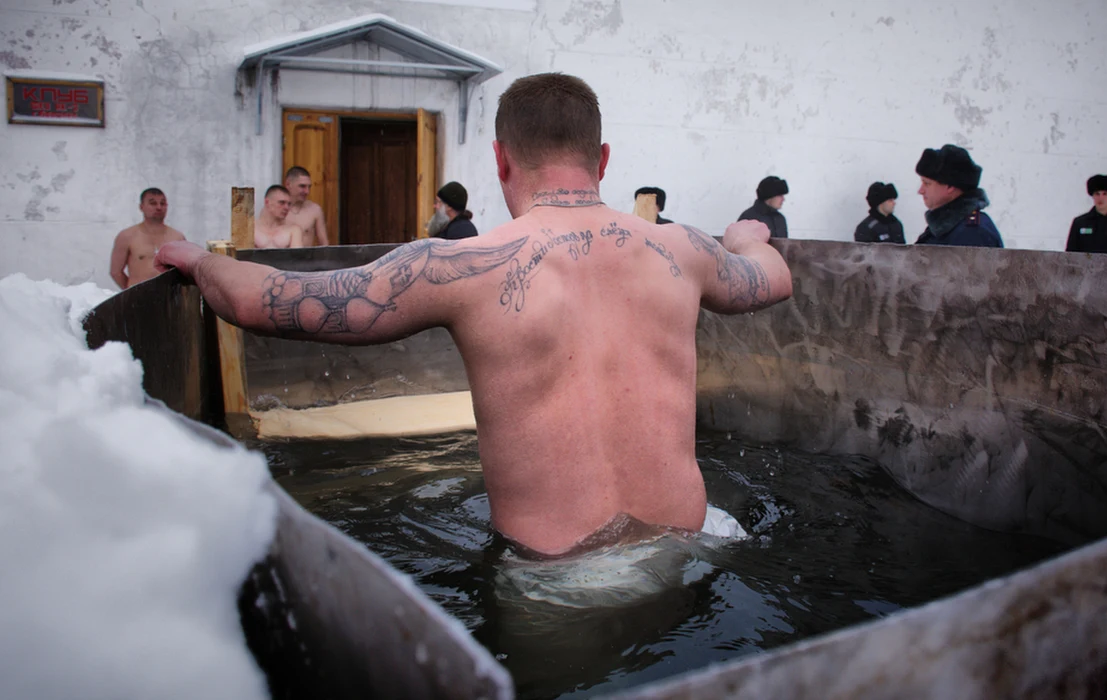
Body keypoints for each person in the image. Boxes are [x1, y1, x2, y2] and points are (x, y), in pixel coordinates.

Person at [156, 72, 792, 557]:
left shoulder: (459, 264)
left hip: (557, 576)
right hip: (693, 547)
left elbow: (262, 302)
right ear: (602, 161)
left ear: (500, 160)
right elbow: (771, 279)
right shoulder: (681, 249)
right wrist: (747, 237)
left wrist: (193, 258)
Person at [914, 144, 1003, 248]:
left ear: (950, 186)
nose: (920, 191)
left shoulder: (972, 233)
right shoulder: (948, 226)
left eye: (927, 183)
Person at [108, 188, 186, 289]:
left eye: (162, 203)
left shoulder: (177, 237)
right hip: (138, 299)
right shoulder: (127, 236)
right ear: (141, 207)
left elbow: (185, 271)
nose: (159, 207)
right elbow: (116, 272)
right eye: (153, 203)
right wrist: (132, 293)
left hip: (169, 299)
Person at [1065, 174, 1107, 255]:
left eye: (1105, 194)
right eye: (1097, 194)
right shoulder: (1080, 222)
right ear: (1092, 196)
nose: (1100, 198)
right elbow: (1070, 254)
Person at [283, 166, 330, 247]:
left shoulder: (315, 210)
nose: (307, 191)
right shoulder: (276, 209)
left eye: (309, 187)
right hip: (282, 258)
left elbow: (324, 245)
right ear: (288, 184)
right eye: (302, 186)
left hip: (307, 258)